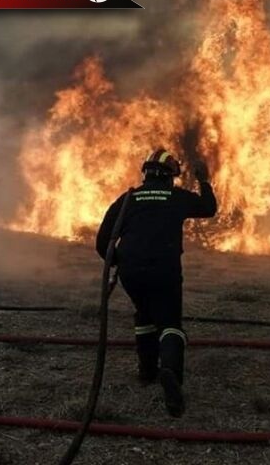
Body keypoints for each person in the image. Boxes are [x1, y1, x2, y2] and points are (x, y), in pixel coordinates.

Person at [95, 149, 217, 416]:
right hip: (164, 269)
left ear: (147, 173)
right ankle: (170, 371)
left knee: (144, 314)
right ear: (169, 176)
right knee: (169, 322)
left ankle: (147, 371)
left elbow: (103, 241)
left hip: (131, 272)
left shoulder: (127, 199)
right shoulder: (176, 197)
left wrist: (117, 262)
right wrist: (204, 181)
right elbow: (209, 209)